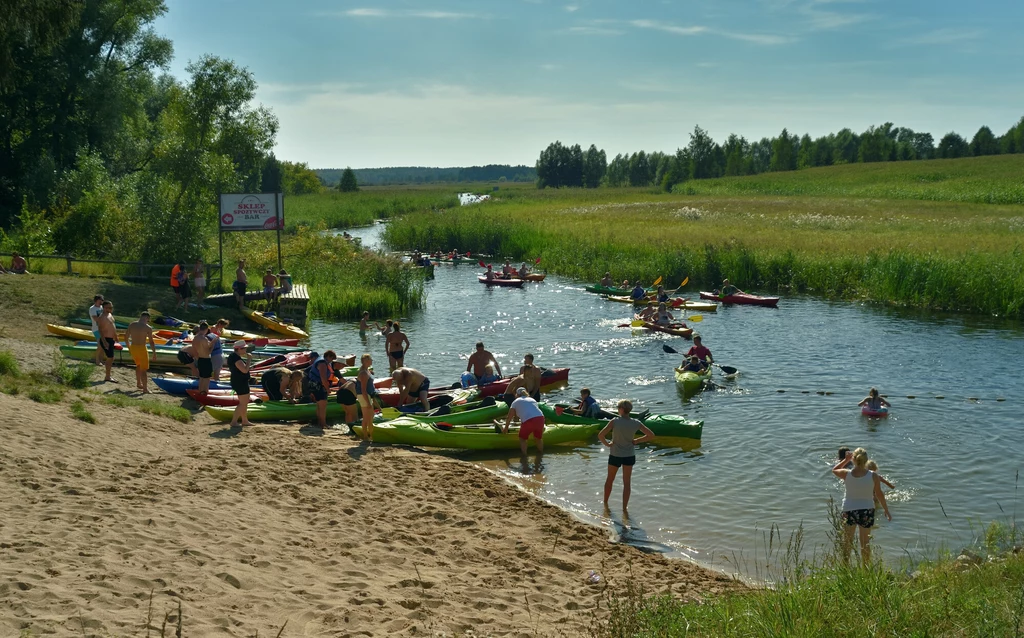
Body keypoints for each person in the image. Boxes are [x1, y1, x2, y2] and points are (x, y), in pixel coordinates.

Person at [832, 447, 891, 565]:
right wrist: (886, 510)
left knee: (847, 542)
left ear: (853, 459)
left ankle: (845, 566)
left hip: (849, 510)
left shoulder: (846, 474)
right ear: (866, 460)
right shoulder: (873, 475)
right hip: (866, 510)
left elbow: (834, 470)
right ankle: (866, 568)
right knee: (865, 542)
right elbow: (879, 494)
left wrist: (845, 459)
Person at [599, 400, 655, 509]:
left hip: (615, 454)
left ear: (621, 409)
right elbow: (651, 435)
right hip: (629, 455)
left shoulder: (614, 421)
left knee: (610, 480)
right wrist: (636, 441)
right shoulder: (636, 423)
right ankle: (624, 508)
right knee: (627, 483)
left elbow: (601, 435)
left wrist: (608, 444)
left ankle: (605, 503)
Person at [502, 387, 546, 455]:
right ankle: (541, 454)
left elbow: (509, 416)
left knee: (522, 438)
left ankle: (524, 456)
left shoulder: (516, 401)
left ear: (517, 394)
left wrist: (506, 427)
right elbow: (533, 411)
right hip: (540, 418)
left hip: (529, 420)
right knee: (538, 438)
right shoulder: (532, 399)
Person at [124, 312, 157, 393]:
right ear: (147, 318)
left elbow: (126, 337)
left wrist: (129, 347)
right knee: (144, 369)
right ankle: (145, 389)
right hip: (141, 348)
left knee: (138, 365)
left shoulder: (132, 325)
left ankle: (139, 383)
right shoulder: (147, 327)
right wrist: (154, 353)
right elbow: (151, 342)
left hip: (133, 347)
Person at [306, 350, 338, 428]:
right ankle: (323, 424)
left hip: (313, 384)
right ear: (329, 356)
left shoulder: (320, 359)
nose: (331, 361)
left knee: (319, 405)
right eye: (332, 359)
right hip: (318, 386)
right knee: (323, 405)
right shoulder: (322, 363)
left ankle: (319, 422)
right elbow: (323, 378)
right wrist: (327, 389)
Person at [227, 341, 254, 427]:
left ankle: (244, 420)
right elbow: (245, 371)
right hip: (240, 382)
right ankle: (234, 421)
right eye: (244, 348)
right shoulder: (236, 358)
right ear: (238, 349)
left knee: (244, 402)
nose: (245, 350)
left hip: (239, 381)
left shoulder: (234, 356)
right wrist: (249, 360)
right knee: (243, 403)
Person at [354, 353, 380, 441]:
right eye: (370, 359)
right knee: (366, 417)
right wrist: (368, 402)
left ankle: (370, 435)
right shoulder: (363, 373)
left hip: (367, 395)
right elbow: (363, 389)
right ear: (366, 361)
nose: (372, 361)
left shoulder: (366, 370)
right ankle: (366, 436)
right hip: (364, 395)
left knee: (370, 416)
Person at [97, 301, 117, 382]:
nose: (110, 309)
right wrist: (104, 342)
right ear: (104, 308)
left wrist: (115, 336)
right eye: (108, 307)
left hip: (111, 339)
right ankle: (107, 376)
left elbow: (112, 326)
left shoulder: (110, 315)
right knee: (110, 358)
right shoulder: (102, 317)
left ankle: (108, 375)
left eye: (111, 307)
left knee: (111, 358)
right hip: (106, 339)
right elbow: (100, 330)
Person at [193, 321, 214, 395]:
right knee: (207, 378)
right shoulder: (203, 339)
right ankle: (205, 392)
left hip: (200, 359)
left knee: (201, 376)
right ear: (206, 329)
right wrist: (212, 345)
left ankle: (200, 391)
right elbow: (208, 351)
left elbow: (194, 349)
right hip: (206, 359)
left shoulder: (195, 338)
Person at [88, 295, 105, 365]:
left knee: (104, 345)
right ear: (96, 300)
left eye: (102, 300)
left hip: (103, 328)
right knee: (100, 345)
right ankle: (97, 360)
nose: (102, 301)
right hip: (96, 329)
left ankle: (101, 359)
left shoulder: (102, 307)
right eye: (100, 300)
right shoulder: (92, 309)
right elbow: (96, 319)